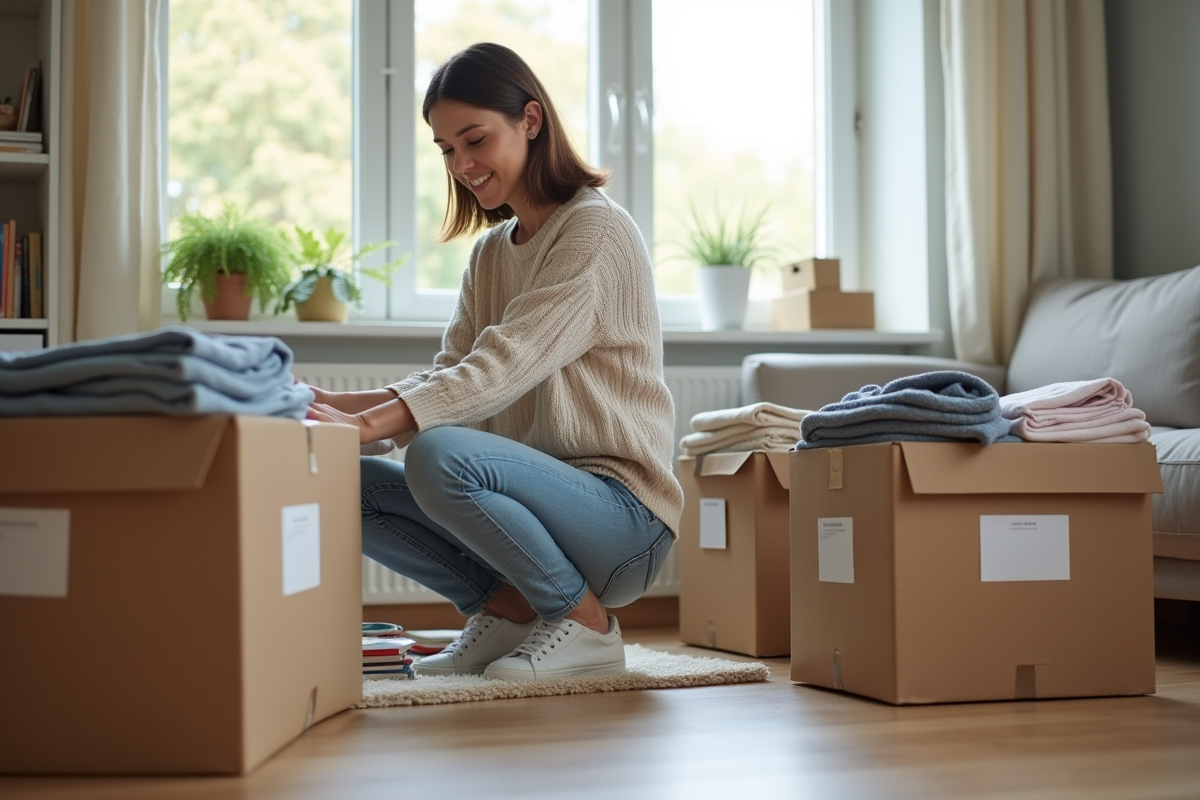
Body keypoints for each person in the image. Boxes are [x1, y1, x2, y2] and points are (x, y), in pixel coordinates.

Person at [305, 42, 683, 682]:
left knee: (439, 453)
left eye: (474, 140)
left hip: (622, 521)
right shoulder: (489, 255)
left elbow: (506, 365)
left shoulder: (596, 230)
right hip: (529, 508)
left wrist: (370, 427)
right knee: (343, 483)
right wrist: (332, 408)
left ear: (530, 121)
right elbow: (450, 370)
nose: (461, 164)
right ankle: (507, 610)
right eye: (447, 149)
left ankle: (588, 625)